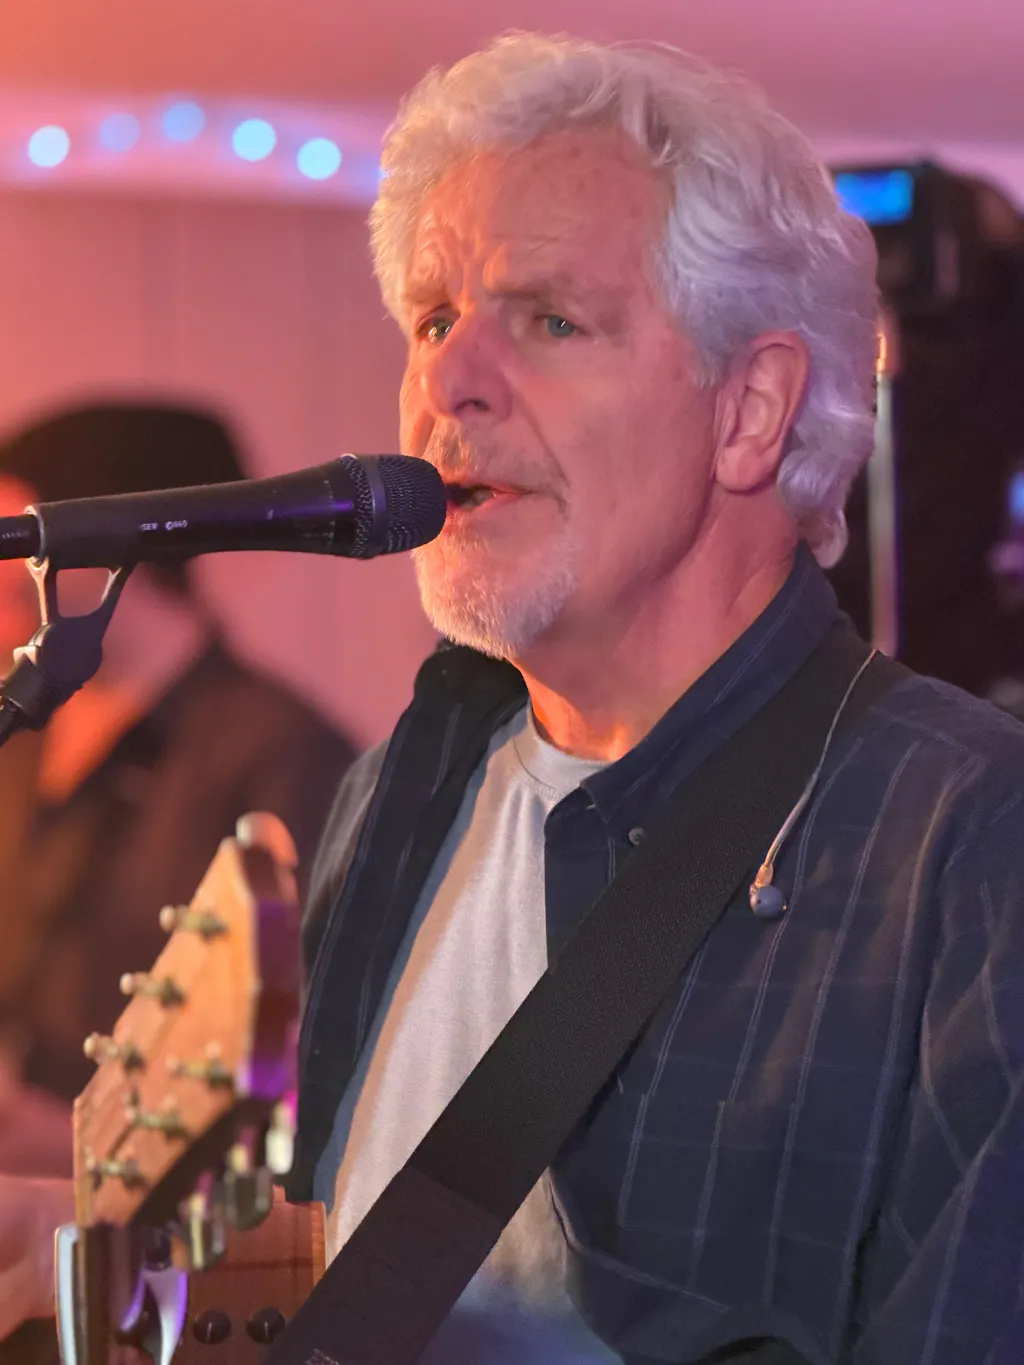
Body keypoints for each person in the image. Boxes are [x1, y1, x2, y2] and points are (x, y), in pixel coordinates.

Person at [4, 32, 1024, 1365]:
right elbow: (352, 1274)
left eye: (550, 319)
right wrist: (90, 1247)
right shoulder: (404, 783)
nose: (446, 381)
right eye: (434, 321)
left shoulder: (966, 845)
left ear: (750, 411)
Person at [0, 401, 357, 1179]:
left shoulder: (289, 757)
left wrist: (86, 1146)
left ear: (102, 543)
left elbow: (313, 1076)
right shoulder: (18, 734)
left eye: (15, 539)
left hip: (163, 1230)